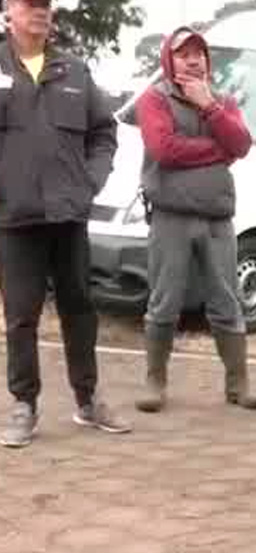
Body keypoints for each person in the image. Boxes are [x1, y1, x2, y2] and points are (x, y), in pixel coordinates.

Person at [0, 0, 128, 448]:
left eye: (45, 4)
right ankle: (24, 405)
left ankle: (88, 399)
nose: (40, 10)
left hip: (69, 215)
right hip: (15, 220)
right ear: (7, 11)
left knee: (79, 309)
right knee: (20, 316)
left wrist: (89, 183)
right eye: (29, 4)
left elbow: (104, 133)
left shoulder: (74, 70)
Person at [132, 26, 256, 414]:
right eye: (182, 53)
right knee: (164, 301)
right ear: (168, 60)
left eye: (199, 53)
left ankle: (238, 385)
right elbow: (164, 149)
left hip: (216, 219)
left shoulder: (223, 101)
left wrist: (209, 107)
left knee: (227, 300)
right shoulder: (153, 100)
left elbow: (240, 144)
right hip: (170, 216)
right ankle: (155, 382)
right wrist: (217, 151)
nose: (193, 59)